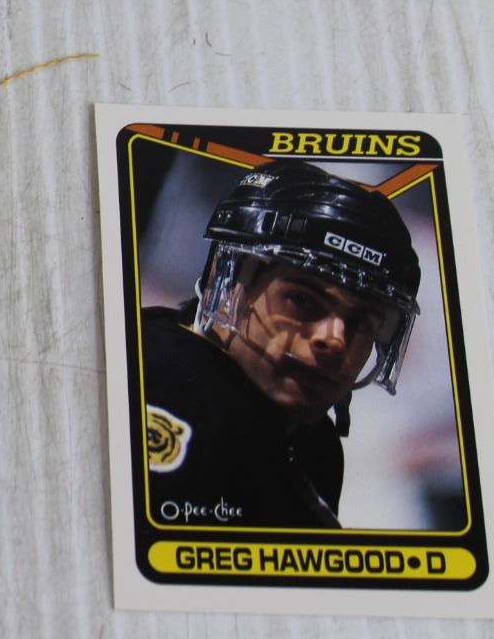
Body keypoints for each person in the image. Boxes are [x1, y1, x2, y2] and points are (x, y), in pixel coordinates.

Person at [140, 162, 421, 527]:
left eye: (361, 323)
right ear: (228, 284)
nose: (334, 339)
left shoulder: (315, 443)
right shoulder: (156, 379)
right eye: (302, 300)